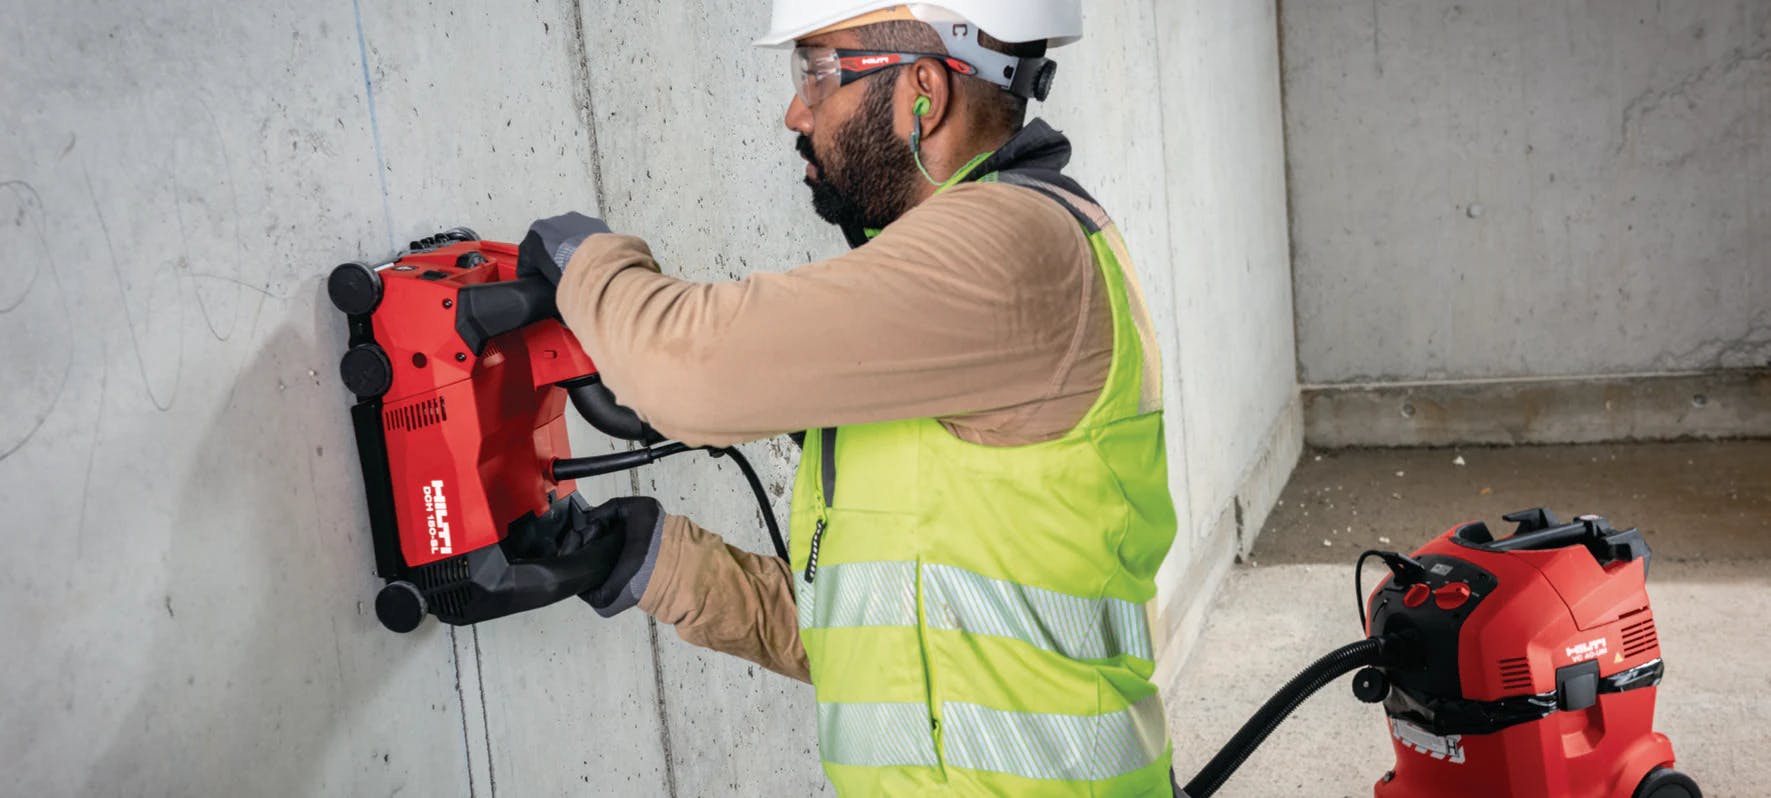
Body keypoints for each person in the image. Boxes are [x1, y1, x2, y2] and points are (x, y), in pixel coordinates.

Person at [520, 2, 1179, 794]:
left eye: (818, 72)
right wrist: (662, 567)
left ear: (923, 92)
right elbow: (899, 636)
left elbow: (682, 373)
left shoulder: (1012, 247)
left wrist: (588, 263)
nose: (795, 110)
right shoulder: (962, 293)